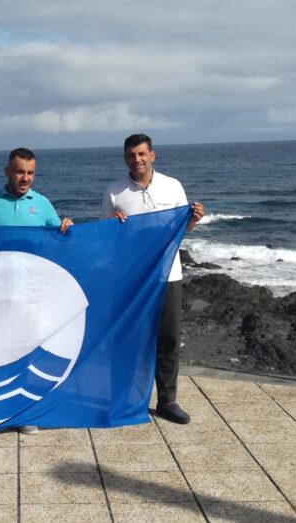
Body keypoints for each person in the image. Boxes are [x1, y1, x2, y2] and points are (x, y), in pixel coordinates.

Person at [0, 147, 73, 440]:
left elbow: (60, 238)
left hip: (31, 294)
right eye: (20, 172)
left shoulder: (43, 204)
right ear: (7, 172)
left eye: (30, 173)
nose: (25, 178)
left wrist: (66, 226)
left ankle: (23, 414)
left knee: (27, 353)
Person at [102, 134, 204, 425]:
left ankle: (167, 401)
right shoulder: (114, 192)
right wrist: (112, 225)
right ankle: (121, 399)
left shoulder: (173, 186)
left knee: (168, 338)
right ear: (125, 158)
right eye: (131, 155)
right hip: (131, 278)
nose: (137, 159)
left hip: (168, 275)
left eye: (142, 153)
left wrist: (192, 221)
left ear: (152, 155)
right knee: (128, 339)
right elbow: (105, 236)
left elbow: (179, 230)